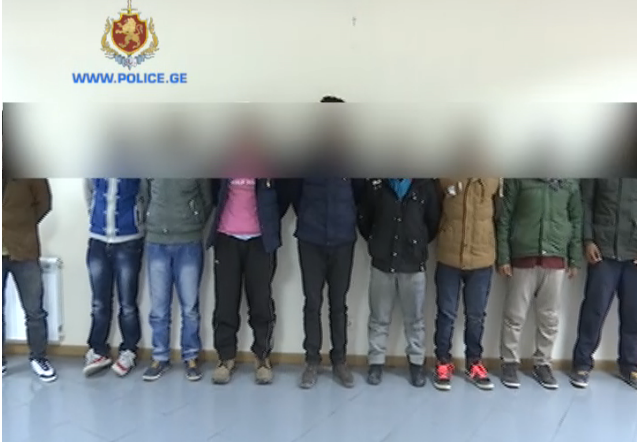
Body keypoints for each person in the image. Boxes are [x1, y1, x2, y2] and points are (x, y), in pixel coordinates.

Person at [288, 95, 364, 389]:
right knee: (312, 302)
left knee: (338, 303)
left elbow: (360, 194)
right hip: (311, 238)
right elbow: (295, 194)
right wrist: (309, 217)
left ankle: (340, 360)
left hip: (343, 239)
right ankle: (311, 361)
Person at [497, 178, 582, 390]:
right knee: (514, 315)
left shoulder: (569, 183)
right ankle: (509, 362)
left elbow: (576, 221)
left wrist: (574, 259)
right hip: (523, 257)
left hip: (555, 259)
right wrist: (503, 257)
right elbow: (505, 218)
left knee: (549, 318)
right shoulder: (519, 179)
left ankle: (543, 363)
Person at [358, 178, 441, 387]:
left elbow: (432, 223)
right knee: (378, 318)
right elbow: (365, 219)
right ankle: (376, 363)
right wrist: (378, 242)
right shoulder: (376, 184)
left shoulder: (426, 185)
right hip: (382, 263)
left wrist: (417, 242)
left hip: (413, 263)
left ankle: (416, 364)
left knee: (415, 320)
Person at [207, 177, 287, 385]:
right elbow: (213, 190)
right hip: (226, 238)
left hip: (261, 240)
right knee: (225, 303)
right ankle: (225, 358)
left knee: (261, 302)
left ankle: (262, 358)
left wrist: (268, 217)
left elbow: (284, 195)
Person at [433, 178, 501, 391]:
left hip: (481, 259)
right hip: (449, 257)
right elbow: (434, 208)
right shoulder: (445, 175)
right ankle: (443, 361)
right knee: (446, 314)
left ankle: (474, 362)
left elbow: (500, 215)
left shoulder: (494, 178)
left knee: (476, 316)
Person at [142, 179, 212, 382]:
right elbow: (144, 198)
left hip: (189, 242)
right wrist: (152, 221)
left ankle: (191, 357)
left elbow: (207, 201)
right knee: (159, 309)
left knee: (190, 308)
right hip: (157, 243)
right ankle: (159, 357)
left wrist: (194, 223)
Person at [571, 178, 637, 389]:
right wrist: (588, 240)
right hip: (602, 252)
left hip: (634, 255)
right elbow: (586, 203)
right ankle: (582, 364)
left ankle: (630, 366)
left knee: (633, 314)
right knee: (594, 311)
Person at [82, 179, 147, 377]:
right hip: (98, 241)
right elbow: (89, 192)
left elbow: (145, 195)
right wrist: (94, 216)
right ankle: (98, 350)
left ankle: (129, 350)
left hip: (129, 241)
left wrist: (138, 220)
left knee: (127, 304)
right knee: (99, 303)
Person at [2, 178, 56, 382]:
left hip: (24, 250)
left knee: (34, 311)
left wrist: (21, 224)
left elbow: (44, 203)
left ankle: (39, 357)